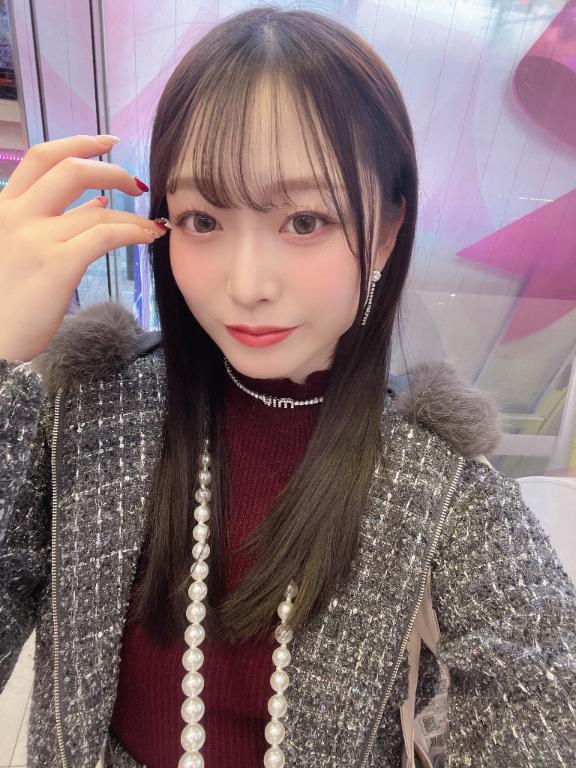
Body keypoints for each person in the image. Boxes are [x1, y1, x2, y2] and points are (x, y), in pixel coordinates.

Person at [0, 6, 574, 768]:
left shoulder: (438, 481)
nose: (247, 285)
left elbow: (542, 694)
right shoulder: (85, 411)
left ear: (388, 228)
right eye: (203, 219)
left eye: (304, 221)